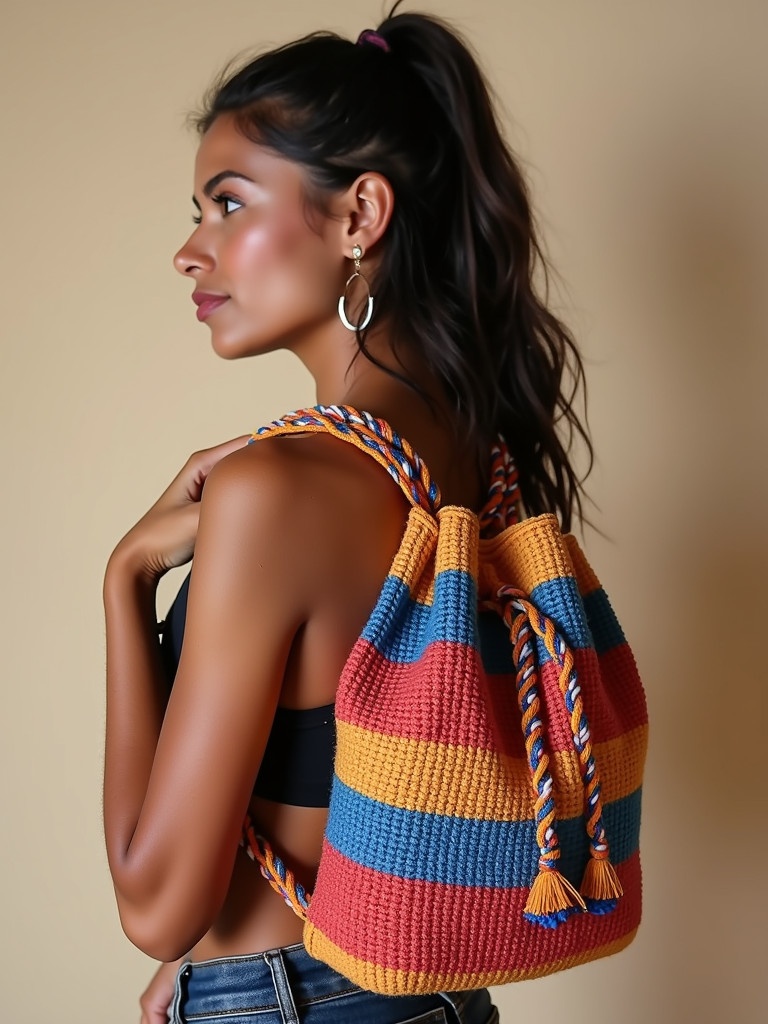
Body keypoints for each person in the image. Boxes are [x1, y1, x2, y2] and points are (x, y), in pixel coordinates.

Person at [103, 5, 592, 1022]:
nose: (193, 251)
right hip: (434, 994)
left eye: (228, 204)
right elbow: (362, 775)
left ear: (360, 215)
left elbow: (155, 902)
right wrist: (204, 967)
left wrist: (123, 582)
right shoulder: (471, 456)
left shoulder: (275, 490)